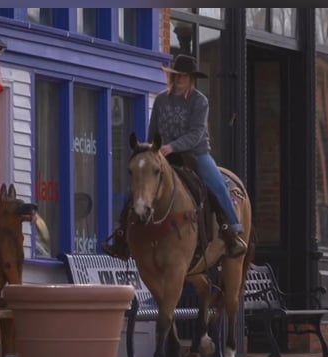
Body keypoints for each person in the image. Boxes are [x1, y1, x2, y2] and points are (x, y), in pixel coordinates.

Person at [102, 54, 247, 259]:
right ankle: (120, 238)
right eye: (177, 76)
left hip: (195, 153)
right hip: (163, 154)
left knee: (218, 186)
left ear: (191, 79)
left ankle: (232, 232)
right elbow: (153, 131)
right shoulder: (161, 99)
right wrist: (150, 149)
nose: (180, 80)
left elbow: (196, 133)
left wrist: (172, 146)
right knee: (139, 186)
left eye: (184, 77)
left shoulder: (200, 101)